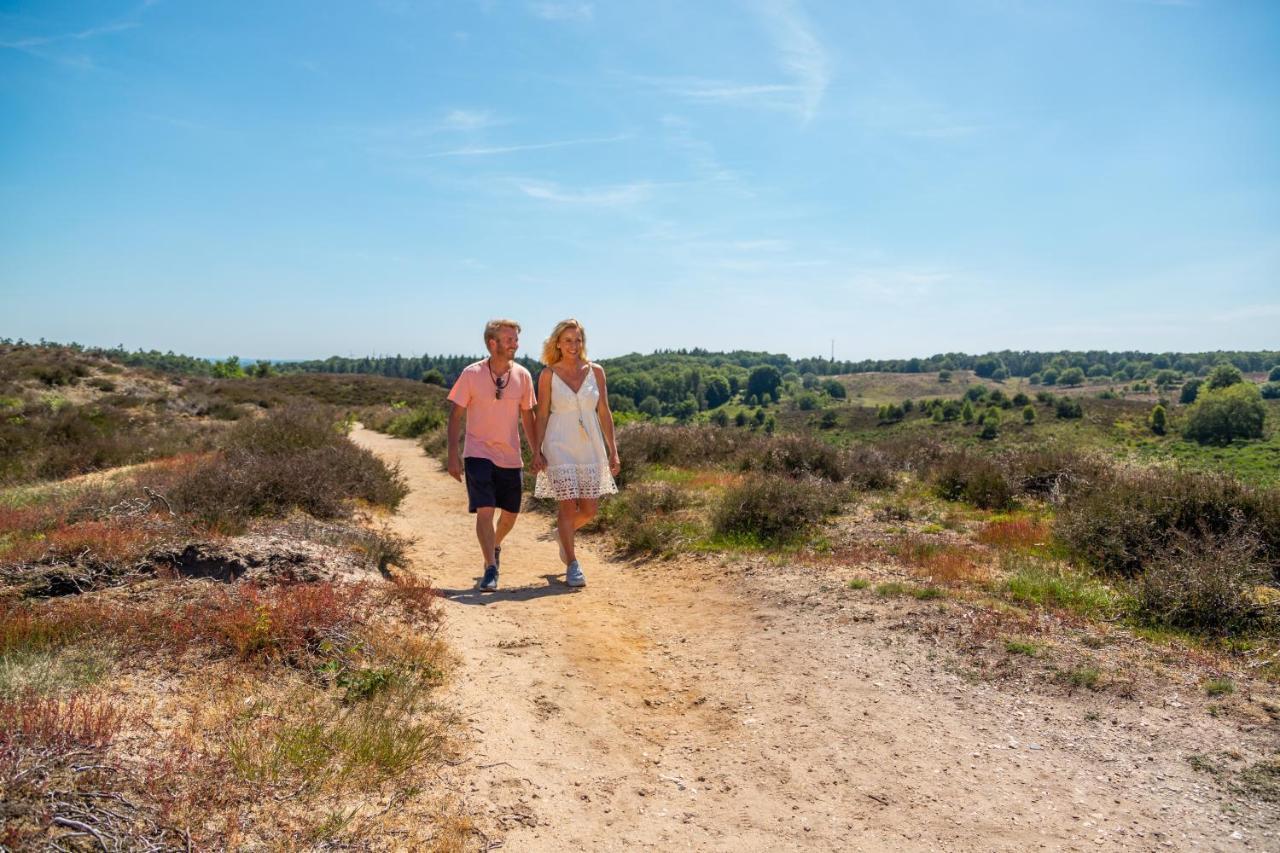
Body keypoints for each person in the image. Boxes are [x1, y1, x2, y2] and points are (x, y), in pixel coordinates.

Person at [447, 319, 539, 591]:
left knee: (510, 514)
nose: (515, 344)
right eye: (509, 339)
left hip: (510, 457)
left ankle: (495, 544)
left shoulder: (522, 375)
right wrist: (453, 455)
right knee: (485, 510)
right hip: (477, 453)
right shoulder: (471, 374)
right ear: (492, 343)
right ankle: (490, 567)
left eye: (516, 339)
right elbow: (456, 416)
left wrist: (537, 452)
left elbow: (528, 417)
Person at [533, 318, 620, 587]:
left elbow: (604, 411)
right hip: (559, 443)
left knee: (590, 509)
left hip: (590, 444)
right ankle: (572, 563)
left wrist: (613, 450)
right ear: (557, 343)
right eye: (568, 340)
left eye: (578, 340)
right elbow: (542, 414)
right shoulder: (548, 374)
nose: (573, 345)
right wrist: (537, 450)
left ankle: (563, 534)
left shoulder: (596, 371)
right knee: (568, 506)